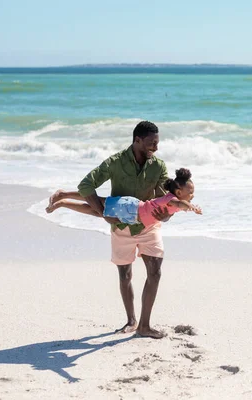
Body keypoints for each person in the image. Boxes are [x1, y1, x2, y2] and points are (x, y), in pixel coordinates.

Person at [50, 121, 171, 339]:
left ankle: (144, 325)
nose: (156, 147)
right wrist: (102, 212)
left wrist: (167, 213)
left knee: (155, 272)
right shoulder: (115, 162)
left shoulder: (158, 166)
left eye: (157, 143)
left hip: (148, 226)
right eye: (152, 143)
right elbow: (86, 185)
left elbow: (164, 199)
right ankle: (131, 320)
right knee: (125, 275)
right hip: (121, 227)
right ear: (137, 140)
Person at [46, 168, 203, 223]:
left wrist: (190, 206)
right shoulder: (172, 199)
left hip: (132, 215)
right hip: (130, 208)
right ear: (179, 192)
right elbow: (180, 205)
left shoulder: (174, 199)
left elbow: (177, 209)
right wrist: (192, 207)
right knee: (98, 203)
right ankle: (63, 196)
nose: (192, 195)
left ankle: (63, 201)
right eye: (190, 192)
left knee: (97, 210)